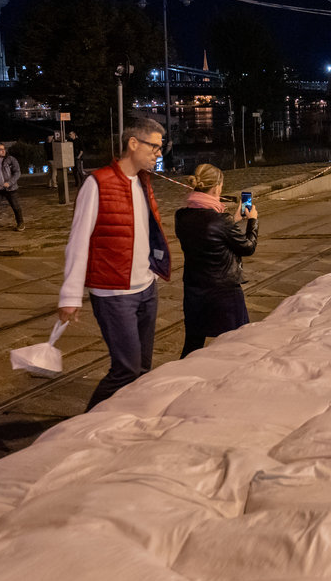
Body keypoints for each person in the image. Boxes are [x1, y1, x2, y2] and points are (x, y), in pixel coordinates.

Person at [58, 117, 173, 410]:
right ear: (133, 144)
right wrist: (70, 296)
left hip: (146, 288)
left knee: (143, 369)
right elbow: (78, 241)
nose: (159, 153)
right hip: (113, 293)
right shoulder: (97, 184)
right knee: (126, 369)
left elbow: (146, 231)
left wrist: (152, 272)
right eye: (155, 147)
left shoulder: (144, 182)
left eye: (161, 148)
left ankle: (123, 421)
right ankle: (86, 426)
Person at [175, 164, 258, 358]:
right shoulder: (221, 220)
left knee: (193, 345)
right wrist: (252, 220)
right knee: (237, 344)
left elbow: (207, 234)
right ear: (217, 188)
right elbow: (248, 247)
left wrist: (233, 221)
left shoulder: (181, 216)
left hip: (195, 292)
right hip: (224, 294)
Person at [0, 141, 25, 233]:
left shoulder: (11, 159)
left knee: (16, 206)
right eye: (0, 150)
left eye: (3, 149)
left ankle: (20, 223)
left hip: (10, 188)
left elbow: (17, 172)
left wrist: (10, 182)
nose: (3, 151)